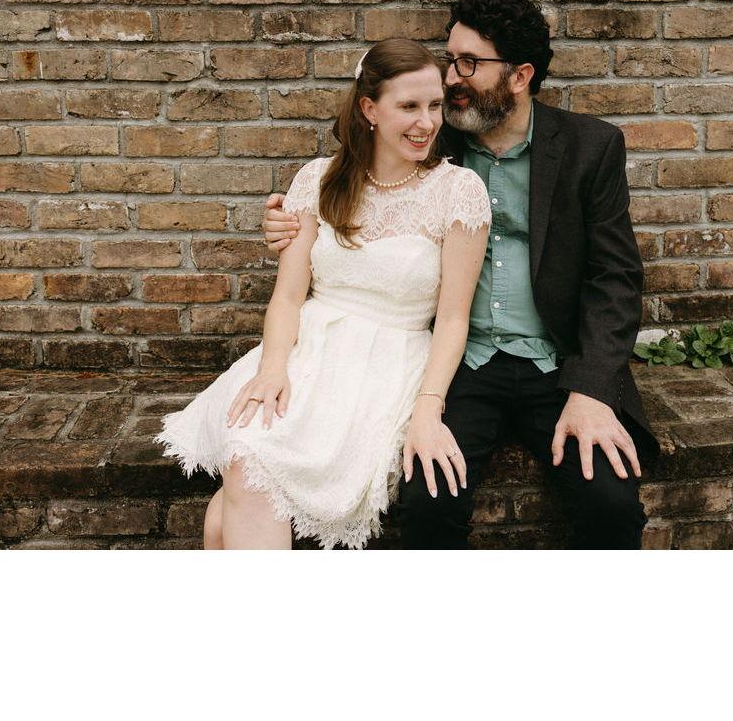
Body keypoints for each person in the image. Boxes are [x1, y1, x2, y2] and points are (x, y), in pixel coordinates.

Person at [263, 0, 661, 550]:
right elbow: (353, 171)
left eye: (469, 63)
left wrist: (593, 390)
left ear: (520, 76)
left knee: (611, 504)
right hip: (459, 365)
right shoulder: (430, 132)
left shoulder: (588, 147)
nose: (450, 78)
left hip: (558, 364)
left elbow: (615, 278)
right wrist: (284, 219)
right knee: (426, 500)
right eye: (451, 59)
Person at [154, 38, 491, 549]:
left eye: (435, 105)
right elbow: (289, 296)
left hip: (386, 361)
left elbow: (452, 319)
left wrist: (429, 405)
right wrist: (272, 370)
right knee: (244, 458)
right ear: (369, 109)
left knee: (230, 503)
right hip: (307, 348)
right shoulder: (318, 179)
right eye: (409, 106)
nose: (426, 122)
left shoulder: (458, 190)